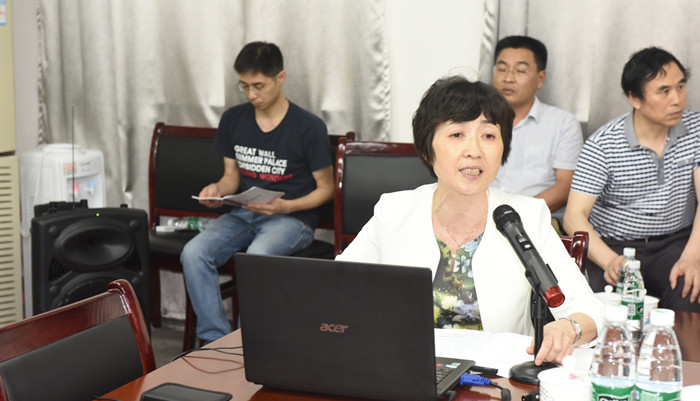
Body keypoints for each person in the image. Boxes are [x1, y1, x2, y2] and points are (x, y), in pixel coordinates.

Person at [337, 76, 604, 365]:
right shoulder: (394, 211)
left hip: (494, 378)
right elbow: (336, 288)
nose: (474, 150)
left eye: (488, 136)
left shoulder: (526, 216)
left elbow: (588, 309)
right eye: (457, 135)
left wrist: (569, 327)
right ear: (427, 150)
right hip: (405, 368)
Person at [181, 41, 334, 343]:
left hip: (291, 220)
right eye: (245, 86)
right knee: (193, 253)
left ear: (280, 78)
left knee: (256, 258)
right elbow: (230, 177)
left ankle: (244, 344)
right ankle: (216, 343)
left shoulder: (308, 127)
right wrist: (216, 191)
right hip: (244, 213)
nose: (252, 95)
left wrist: (286, 207)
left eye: (259, 86)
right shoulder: (234, 119)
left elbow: (326, 189)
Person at [564, 47, 700, 312]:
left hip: (675, 242)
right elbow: (574, 217)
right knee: (599, 308)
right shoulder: (604, 145)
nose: (677, 100)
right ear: (635, 98)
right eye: (664, 91)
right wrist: (611, 261)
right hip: (614, 244)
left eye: (681, 87)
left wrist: (693, 256)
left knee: (690, 290)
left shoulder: (695, 130)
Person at [490, 36, 582, 229]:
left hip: (536, 221)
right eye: (502, 69)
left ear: (540, 78)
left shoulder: (562, 123)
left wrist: (513, 215)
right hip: (480, 218)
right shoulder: (476, 120)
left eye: (521, 70)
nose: (508, 78)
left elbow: (566, 186)